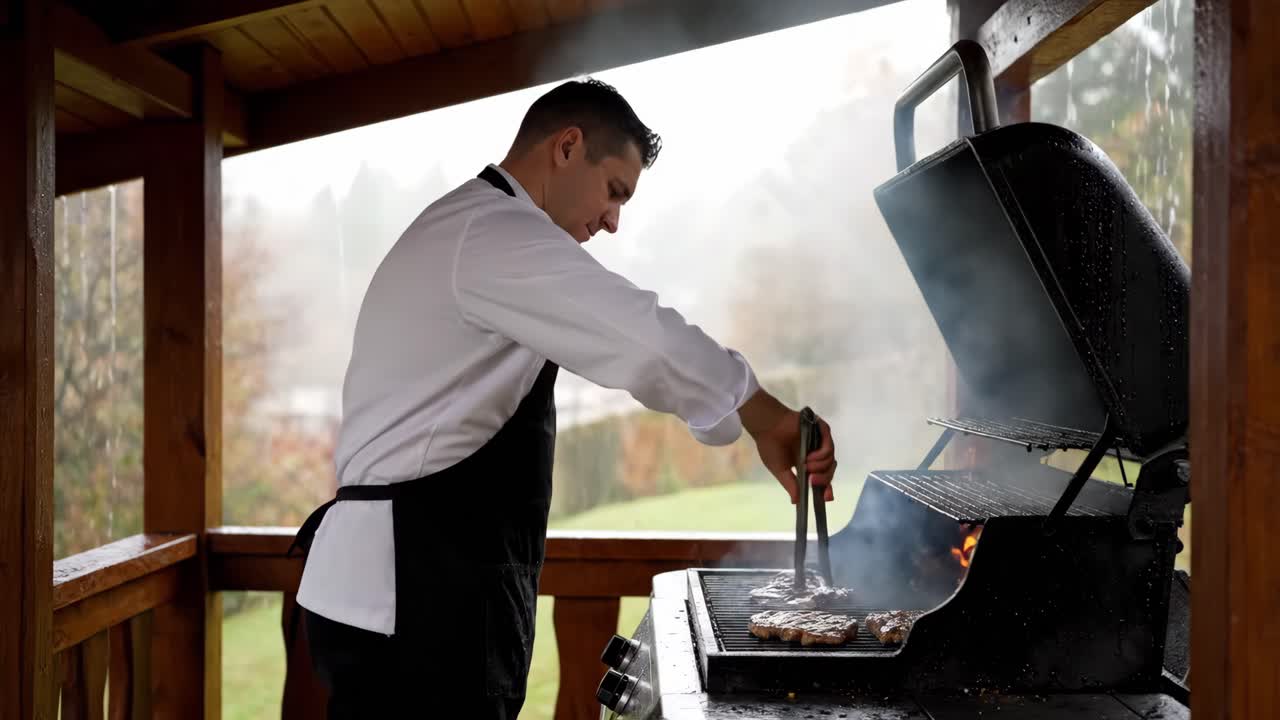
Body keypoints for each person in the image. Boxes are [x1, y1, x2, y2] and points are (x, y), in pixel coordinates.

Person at [291, 77, 837, 718]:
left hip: (406, 591)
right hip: (415, 599)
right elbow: (637, 333)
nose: (612, 221)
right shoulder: (491, 231)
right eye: (614, 191)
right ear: (568, 146)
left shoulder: (472, 230)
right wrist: (762, 412)